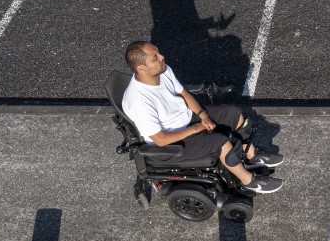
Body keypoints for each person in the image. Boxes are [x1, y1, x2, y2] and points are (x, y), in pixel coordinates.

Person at [121, 41, 283, 194]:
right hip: (170, 144)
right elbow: (160, 140)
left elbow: (183, 93)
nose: (162, 57)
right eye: (155, 58)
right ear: (141, 68)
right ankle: (249, 181)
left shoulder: (162, 71)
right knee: (220, 142)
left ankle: (252, 155)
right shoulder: (138, 101)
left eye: (158, 53)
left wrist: (203, 115)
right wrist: (196, 128)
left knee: (233, 114)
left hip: (185, 118)